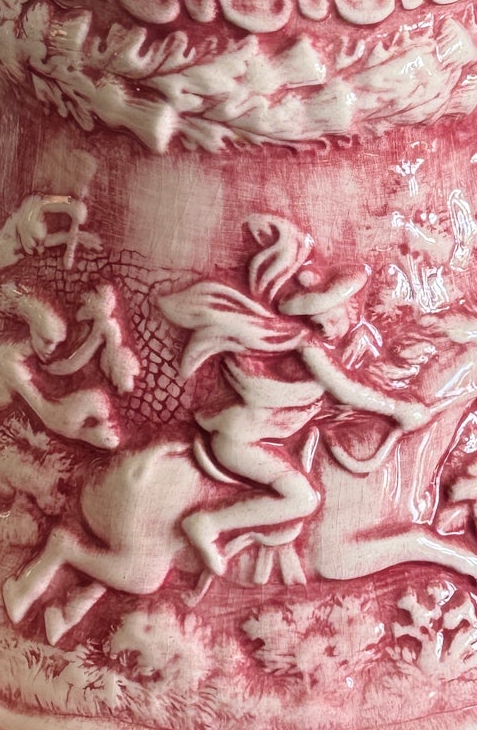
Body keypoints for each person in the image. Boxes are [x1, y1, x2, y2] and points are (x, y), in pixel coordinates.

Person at [160, 218, 427, 576]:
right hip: (242, 440)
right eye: (316, 322)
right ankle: (208, 524)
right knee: (302, 498)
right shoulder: (307, 346)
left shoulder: (342, 343)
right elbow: (344, 389)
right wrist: (396, 407)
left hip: (249, 433)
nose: (324, 328)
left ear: (351, 307)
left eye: (329, 319)